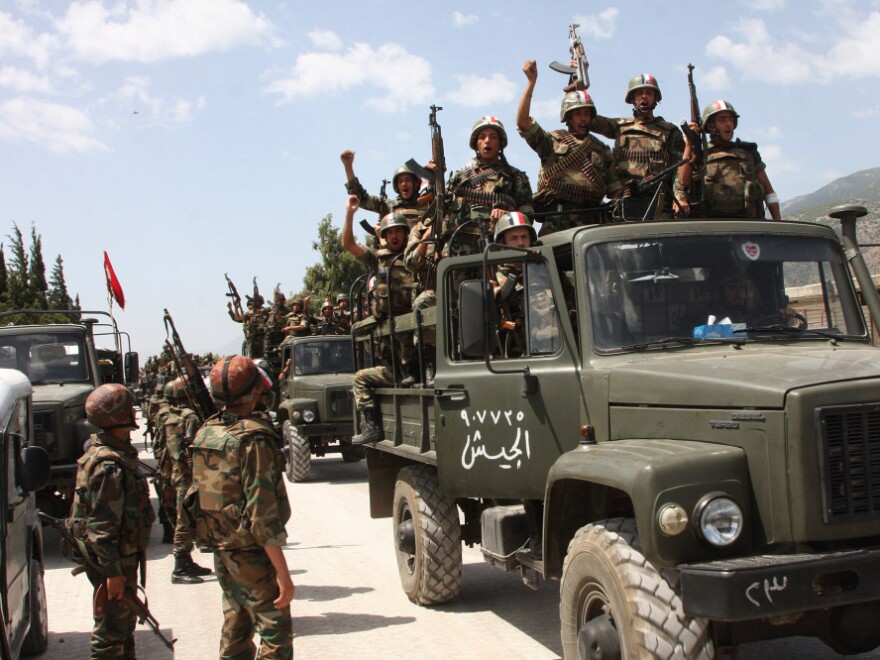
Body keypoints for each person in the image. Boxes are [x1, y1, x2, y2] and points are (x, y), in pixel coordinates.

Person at [190, 355, 294, 659]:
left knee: (235, 628)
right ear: (254, 391)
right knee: (276, 637)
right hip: (252, 553)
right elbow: (262, 516)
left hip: (223, 549)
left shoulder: (206, 431)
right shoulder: (254, 438)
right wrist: (282, 574)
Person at [69, 383, 155, 658]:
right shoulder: (110, 466)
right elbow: (101, 528)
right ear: (119, 417)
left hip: (118, 560)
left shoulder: (110, 455)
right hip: (114, 562)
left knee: (123, 631)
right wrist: (113, 574)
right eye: (129, 408)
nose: (133, 412)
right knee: (109, 636)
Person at [517, 60, 621, 233]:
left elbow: (615, 190)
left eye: (587, 113)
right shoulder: (553, 140)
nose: (583, 119)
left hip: (593, 222)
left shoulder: (601, 149)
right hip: (557, 221)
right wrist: (531, 82)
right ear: (568, 116)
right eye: (578, 113)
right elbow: (523, 123)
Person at [591, 74, 685, 220]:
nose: (644, 97)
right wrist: (579, 85)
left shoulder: (670, 132)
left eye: (649, 93)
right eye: (639, 93)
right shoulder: (619, 126)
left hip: (658, 205)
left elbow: (677, 170)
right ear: (632, 98)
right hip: (624, 204)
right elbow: (589, 120)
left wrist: (679, 197)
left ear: (655, 98)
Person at [675, 100, 781, 221]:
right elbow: (683, 181)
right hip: (710, 228)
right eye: (723, 120)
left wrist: (779, 225)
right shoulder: (698, 154)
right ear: (710, 125)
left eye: (731, 119)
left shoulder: (748, 153)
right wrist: (689, 144)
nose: (728, 124)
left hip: (748, 227)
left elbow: (769, 193)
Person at [445, 116, 533, 254]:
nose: (487, 141)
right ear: (476, 143)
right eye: (482, 136)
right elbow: (441, 208)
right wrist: (433, 177)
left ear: (500, 143)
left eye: (493, 137)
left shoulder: (516, 177)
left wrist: (508, 216)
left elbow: (528, 217)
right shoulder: (460, 176)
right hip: (460, 246)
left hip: (498, 245)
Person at [164, 378, 213, 584]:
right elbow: (194, 449)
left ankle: (186, 561)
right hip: (189, 475)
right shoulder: (190, 417)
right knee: (184, 519)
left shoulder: (170, 417)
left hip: (177, 473)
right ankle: (180, 565)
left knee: (184, 517)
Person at [341, 150, 431, 228]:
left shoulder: (429, 203)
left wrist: (435, 175)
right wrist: (348, 166)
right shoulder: (389, 206)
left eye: (407, 180)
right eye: (400, 181)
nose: (404, 184)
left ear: (416, 184)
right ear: (397, 186)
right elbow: (360, 198)